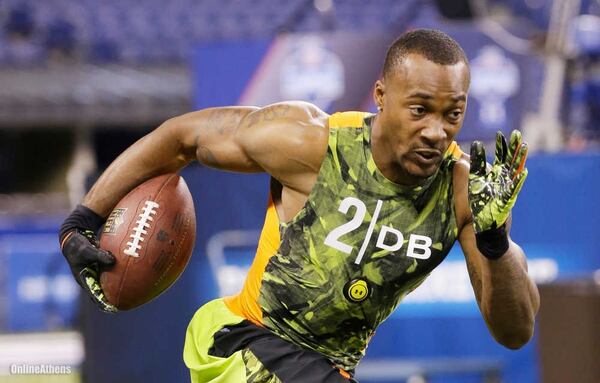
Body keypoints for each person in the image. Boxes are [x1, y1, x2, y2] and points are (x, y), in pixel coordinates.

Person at [59, 29, 540, 382]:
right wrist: (84, 219)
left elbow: (515, 331)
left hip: (325, 370)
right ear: (381, 96)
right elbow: (182, 138)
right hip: (242, 342)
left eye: (452, 114)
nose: (436, 131)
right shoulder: (313, 143)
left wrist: (497, 243)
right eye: (420, 110)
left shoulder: (466, 191)